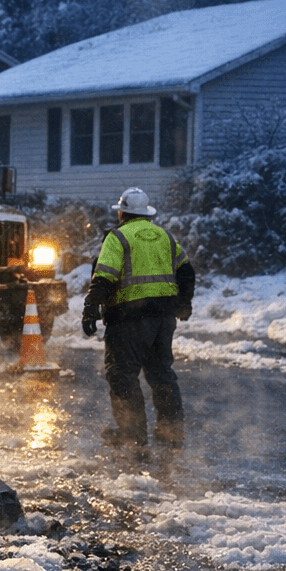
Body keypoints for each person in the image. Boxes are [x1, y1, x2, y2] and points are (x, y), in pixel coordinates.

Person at [81, 187, 196, 451]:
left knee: (122, 375)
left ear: (122, 212)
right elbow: (187, 271)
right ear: (146, 214)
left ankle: (133, 437)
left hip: (128, 318)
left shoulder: (117, 237)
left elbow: (104, 277)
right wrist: (183, 303)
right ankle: (172, 431)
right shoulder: (165, 236)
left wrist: (90, 309)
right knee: (161, 374)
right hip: (164, 319)